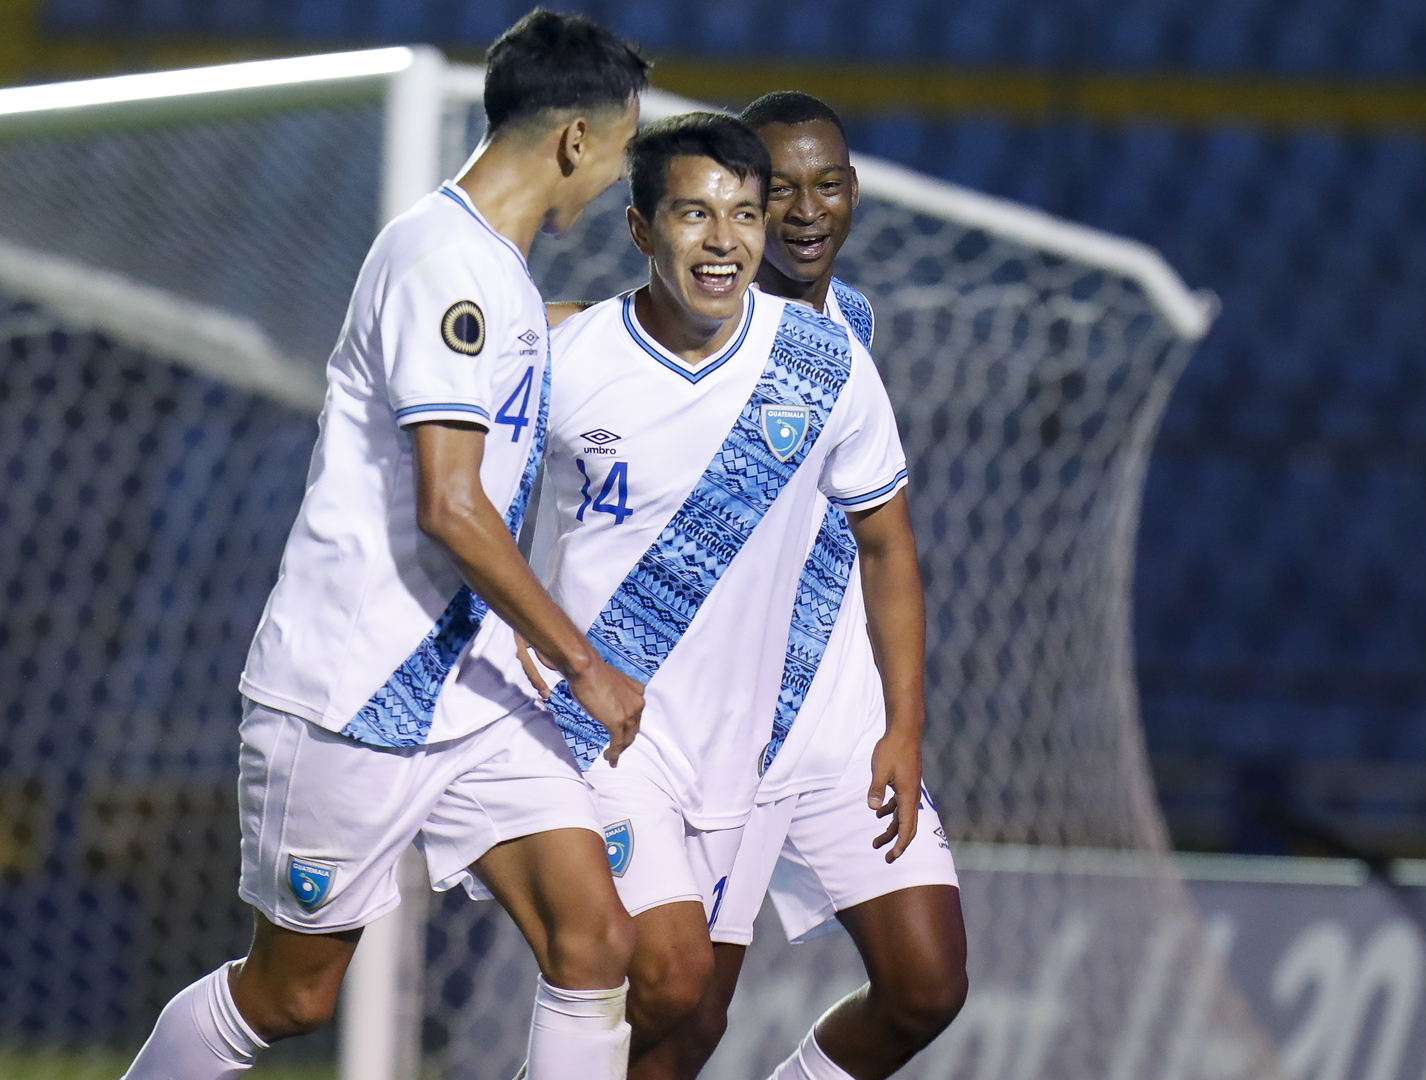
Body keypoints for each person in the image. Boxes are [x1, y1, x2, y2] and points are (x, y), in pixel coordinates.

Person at [119, 11, 648, 1080]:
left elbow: (510, 340)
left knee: (592, 939)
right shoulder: (447, 263)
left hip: (469, 688)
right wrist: (582, 661)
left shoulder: (483, 269)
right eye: (625, 150)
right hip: (355, 692)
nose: (615, 183)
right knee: (291, 994)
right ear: (576, 142)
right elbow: (449, 510)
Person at [502, 110, 923, 1073]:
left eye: (744, 212)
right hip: (606, 724)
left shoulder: (825, 360)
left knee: (689, 1020)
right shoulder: (566, 360)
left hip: (747, 744)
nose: (726, 237)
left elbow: (888, 546)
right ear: (644, 230)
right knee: (671, 976)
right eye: (696, 214)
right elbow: (473, 514)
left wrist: (902, 723)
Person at [630, 91, 969, 1080]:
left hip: (840, 726)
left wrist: (901, 725)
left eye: (829, 186)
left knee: (925, 983)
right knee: (681, 1023)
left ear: (854, 191)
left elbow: (884, 543)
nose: (809, 211)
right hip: (717, 730)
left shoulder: (853, 322)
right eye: (780, 193)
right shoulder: (702, 331)